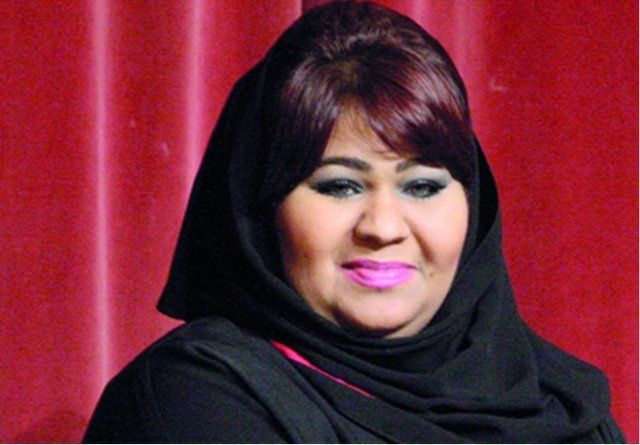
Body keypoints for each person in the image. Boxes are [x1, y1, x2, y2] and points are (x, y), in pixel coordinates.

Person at [83, 1, 624, 442]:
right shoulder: (194, 401)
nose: (383, 227)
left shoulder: (560, 404)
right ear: (263, 206)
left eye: (422, 186)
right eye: (340, 186)